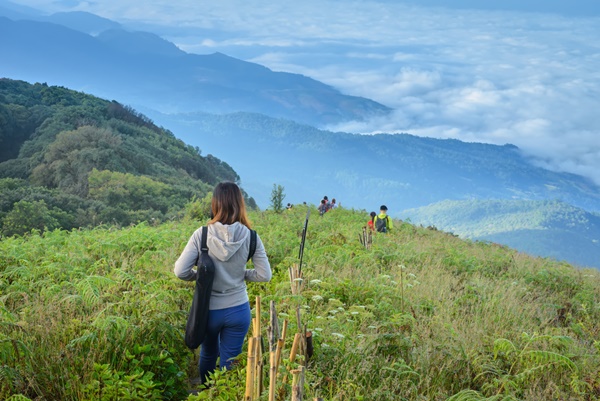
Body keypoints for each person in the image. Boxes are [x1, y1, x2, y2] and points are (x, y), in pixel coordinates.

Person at [174, 182, 272, 385]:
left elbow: (180, 271)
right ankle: (225, 395)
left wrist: (202, 277)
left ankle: (207, 393)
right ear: (240, 204)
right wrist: (241, 274)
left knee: (208, 354)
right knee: (231, 360)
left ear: (215, 204)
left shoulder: (201, 235)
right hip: (238, 309)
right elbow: (264, 275)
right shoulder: (251, 236)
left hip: (209, 311)